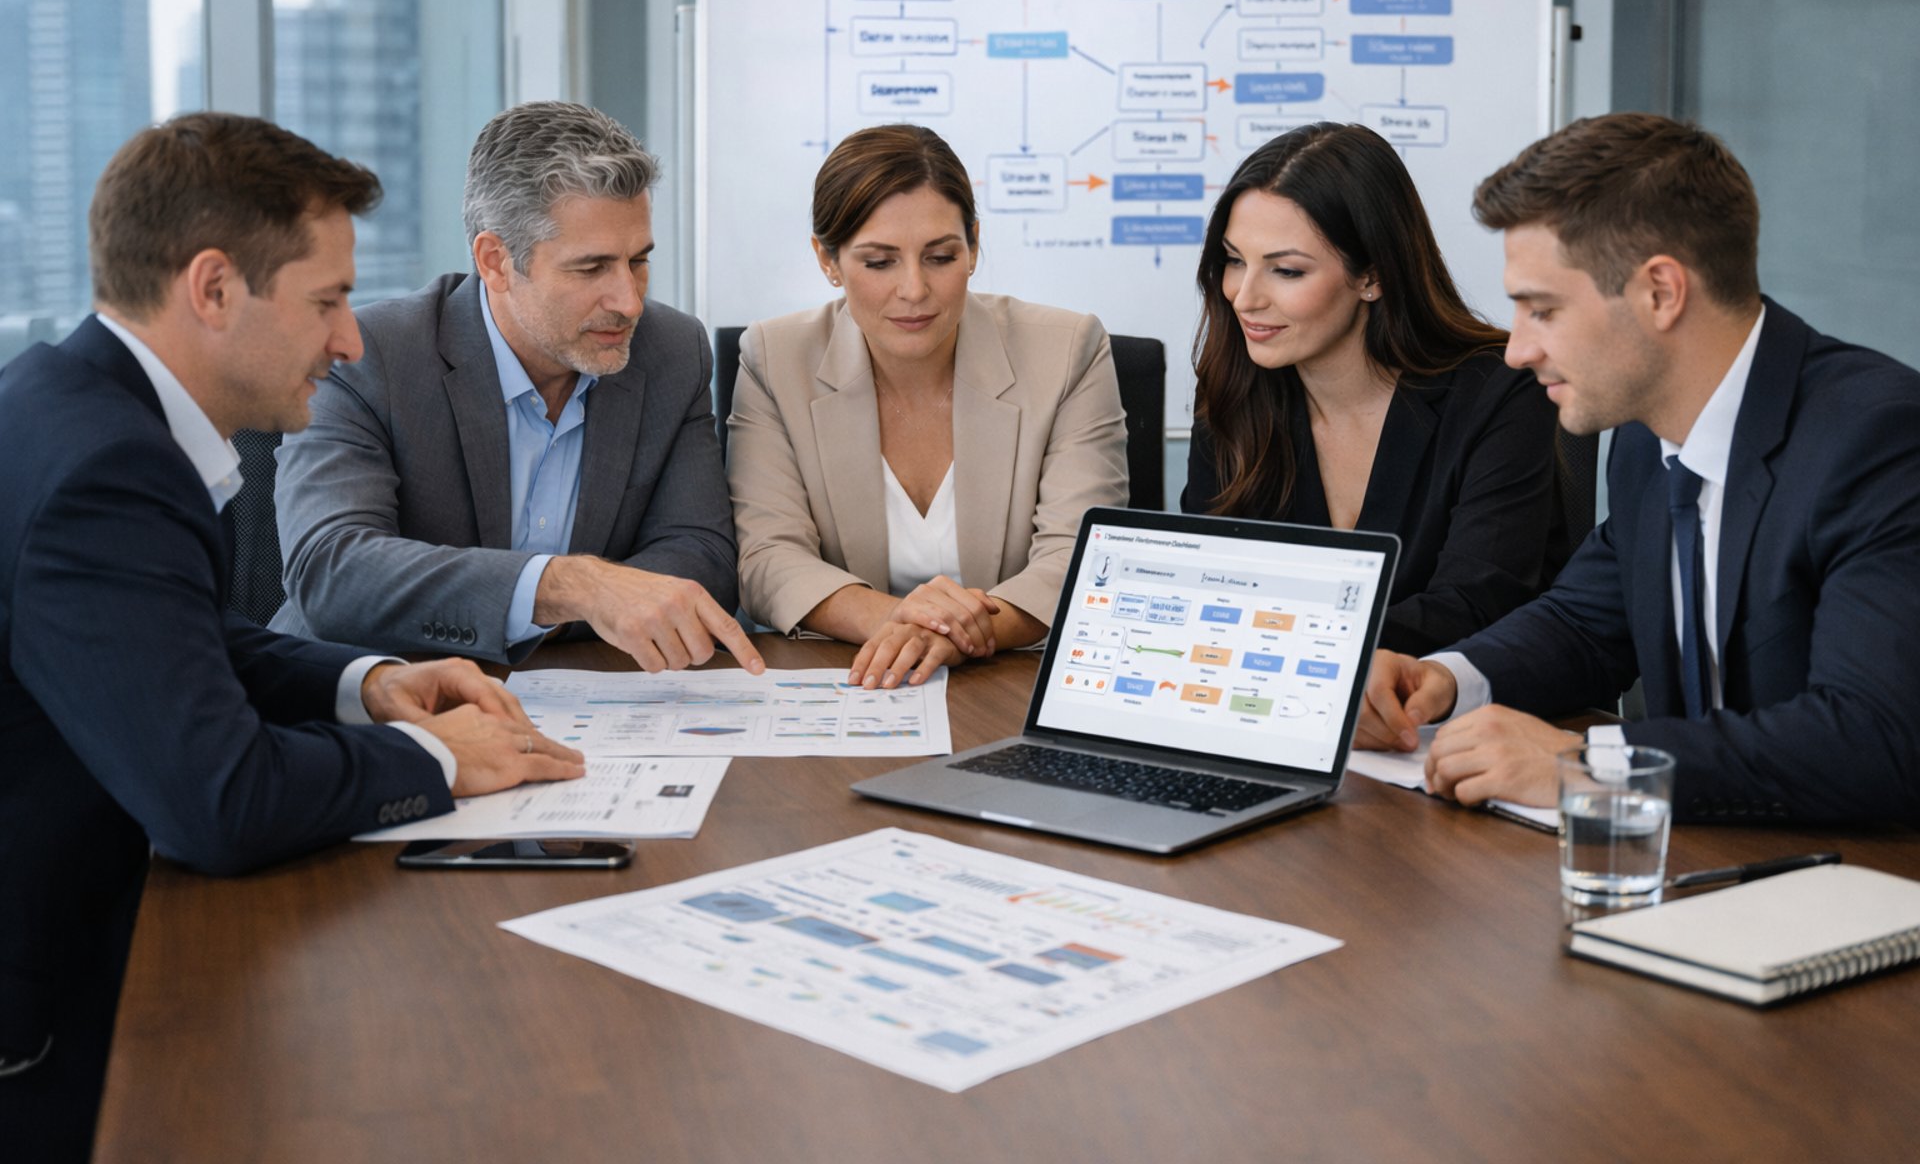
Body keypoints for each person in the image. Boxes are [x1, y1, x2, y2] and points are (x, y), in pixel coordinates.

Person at [0, 114, 585, 1160]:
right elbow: (218, 803)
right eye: (329, 300)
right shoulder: (110, 472)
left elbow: (177, 634)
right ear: (214, 288)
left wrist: (369, 684)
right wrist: (443, 757)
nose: (351, 339)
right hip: (38, 1022)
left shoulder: (70, 400)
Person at [1360, 113, 1920, 825]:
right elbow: (1586, 624)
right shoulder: (1644, 436)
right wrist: (1441, 677)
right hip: (1704, 858)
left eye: (1543, 310)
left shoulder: (1877, 441)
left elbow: (1873, 742)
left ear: (1661, 291)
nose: (1517, 350)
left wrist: (1590, 766)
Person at [272, 101, 762, 674]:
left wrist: (548, 611)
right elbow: (332, 572)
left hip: (593, 703)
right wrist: (569, 586)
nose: (629, 300)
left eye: (639, 261)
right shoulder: (372, 356)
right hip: (368, 700)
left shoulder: (671, 350)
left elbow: (702, 557)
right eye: (591, 268)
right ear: (496, 260)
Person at [727, 124, 1129, 688]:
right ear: (828, 260)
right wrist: (903, 621)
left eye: (940, 257)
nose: (914, 290)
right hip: (858, 682)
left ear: (974, 247)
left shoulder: (1067, 350)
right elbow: (769, 559)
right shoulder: (775, 358)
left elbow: (1080, 555)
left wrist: (958, 637)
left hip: (1017, 685)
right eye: (879, 262)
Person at [1183, 122, 1567, 656]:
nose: (1243, 298)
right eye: (1234, 260)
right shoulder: (1233, 391)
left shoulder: (1497, 394)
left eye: (1286, 271)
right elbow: (1208, 587)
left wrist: (1283, 640)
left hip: (1452, 721)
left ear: (1373, 276)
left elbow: (1476, 605)